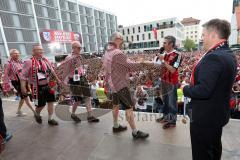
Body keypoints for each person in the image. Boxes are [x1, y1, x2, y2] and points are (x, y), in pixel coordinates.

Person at [183, 19, 237, 160]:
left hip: (204, 117)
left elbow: (204, 90)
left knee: (202, 153)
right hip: (216, 115)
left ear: (213, 35)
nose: (202, 38)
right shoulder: (228, 54)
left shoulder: (214, 57)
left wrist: (185, 89)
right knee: (213, 148)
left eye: (204, 34)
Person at [103, 32, 149, 139]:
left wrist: (106, 82)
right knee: (129, 108)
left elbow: (106, 70)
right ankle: (135, 132)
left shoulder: (106, 52)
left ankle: (116, 126)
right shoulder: (117, 53)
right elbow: (131, 66)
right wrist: (144, 64)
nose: (122, 41)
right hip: (120, 84)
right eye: (121, 39)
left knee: (115, 106)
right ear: (117, 39)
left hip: (112, 84)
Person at [57, 41, 99, 123]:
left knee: (87, 97)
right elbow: (65, 71)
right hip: (74, 80)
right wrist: (63, 82)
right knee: (78, 100)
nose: (80, 49)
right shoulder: (69, 58)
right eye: (79, 48)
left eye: (81, 48)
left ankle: (90, 116)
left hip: (82, 78)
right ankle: (73, 114)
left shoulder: (80, 57)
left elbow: (82, 68)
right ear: (73, 48)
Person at [20, 44, 60, 125]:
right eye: (38, 49)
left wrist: (58, 80)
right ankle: (37, 114)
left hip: (49, 85)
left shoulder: (45, 60)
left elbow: (52, 71)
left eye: (41, 50)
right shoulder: (29, 62)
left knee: (51, 102)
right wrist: (23, 86)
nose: (41, 51)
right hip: (37, 87)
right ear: (33, 51)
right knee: (40, 105)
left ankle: (50, 119)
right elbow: (23, 76)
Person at [156, 36, 182, 129]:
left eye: (165, 43)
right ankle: (166, 117)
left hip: (172, 83)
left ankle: (172, 121)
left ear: (171, 44)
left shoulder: (177, 55)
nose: (163, 45)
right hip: (163, 81)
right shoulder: (164, 53)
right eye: (163, 43)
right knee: (165, 101)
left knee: (172, 102)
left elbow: (173, 70)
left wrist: (163, 60)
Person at [3, 49, 36, 117]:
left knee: (23, 97)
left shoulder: (21, 61)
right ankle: (35, 112)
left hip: (24, 81)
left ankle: (18, 111)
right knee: (25, 97)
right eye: (15, 53)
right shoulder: (8, 63)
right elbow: (6, 76)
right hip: (16, 82)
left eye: (18, 53)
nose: (17, 54)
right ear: (11, 55)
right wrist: (9, 87)